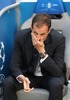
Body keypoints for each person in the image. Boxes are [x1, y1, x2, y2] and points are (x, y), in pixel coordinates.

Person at [3, 14, 66, 100]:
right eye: (35, 33)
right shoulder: (20, 36)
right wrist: (21, 77)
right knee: (8, 83)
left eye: (42, 34)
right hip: (28, 75)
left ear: (49, 31)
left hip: (49, 76)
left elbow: (57, 71)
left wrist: (42, 52)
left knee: (57, 84)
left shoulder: (58, 39)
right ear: (31, 28)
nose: (38, 38)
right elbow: (14, 65)